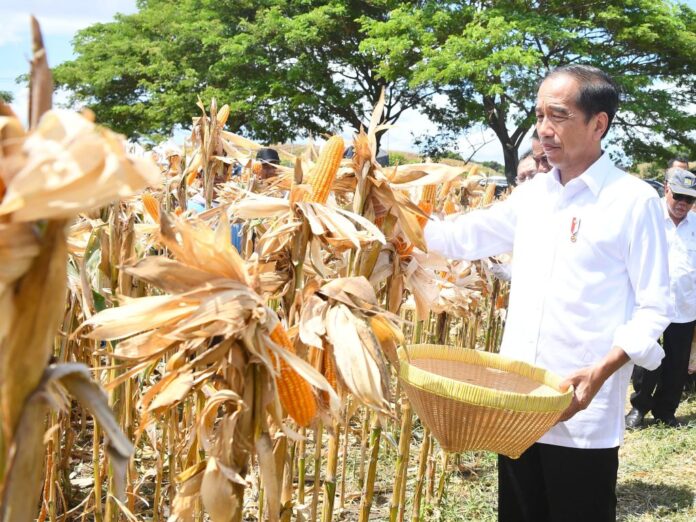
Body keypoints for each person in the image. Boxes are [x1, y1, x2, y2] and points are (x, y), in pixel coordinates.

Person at [424, 65, 670, 522]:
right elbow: (463, 236)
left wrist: (601, 370)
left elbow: (656, 305)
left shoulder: (632, 201)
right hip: (516, 405)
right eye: (539, 116)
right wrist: (388, 215)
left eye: (557, 116)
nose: (543, 130)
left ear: (599, 124)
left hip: (579, 412)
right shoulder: (535, 194)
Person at [626, 167, 696, 428]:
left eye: (689, 199)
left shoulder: (695, 226)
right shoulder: (648, 216)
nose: (683, 204)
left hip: (685, 306)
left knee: (676, 364)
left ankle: (666, 411)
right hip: (649, 305)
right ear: (666, 188)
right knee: (646, 358)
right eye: (678, 196)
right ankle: (639, 408)